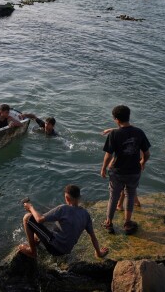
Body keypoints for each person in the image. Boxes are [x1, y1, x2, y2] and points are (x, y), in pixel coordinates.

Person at [19, 185, 109, 259]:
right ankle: (36, 241)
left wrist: (30, 208)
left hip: (55, 248)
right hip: (67, 250)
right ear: (79, 197)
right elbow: (93, 237)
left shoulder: (63, 208)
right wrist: (99, 253)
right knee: (46, 221)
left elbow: (39, 219)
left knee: (28, 218)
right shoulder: (86, 214)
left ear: (67, 198)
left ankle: (32, 251)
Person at [100, 105, 151, 235]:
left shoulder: (114, 134)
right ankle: (127, 223)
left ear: (116, 119)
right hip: (134, 171)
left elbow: (108, 155)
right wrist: (142, 162)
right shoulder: (139, 132)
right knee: (130, 195)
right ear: (129, 116)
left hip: (117, 171)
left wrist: (103, 168)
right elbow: (147, 153)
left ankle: (109, 223)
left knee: (113, 196)